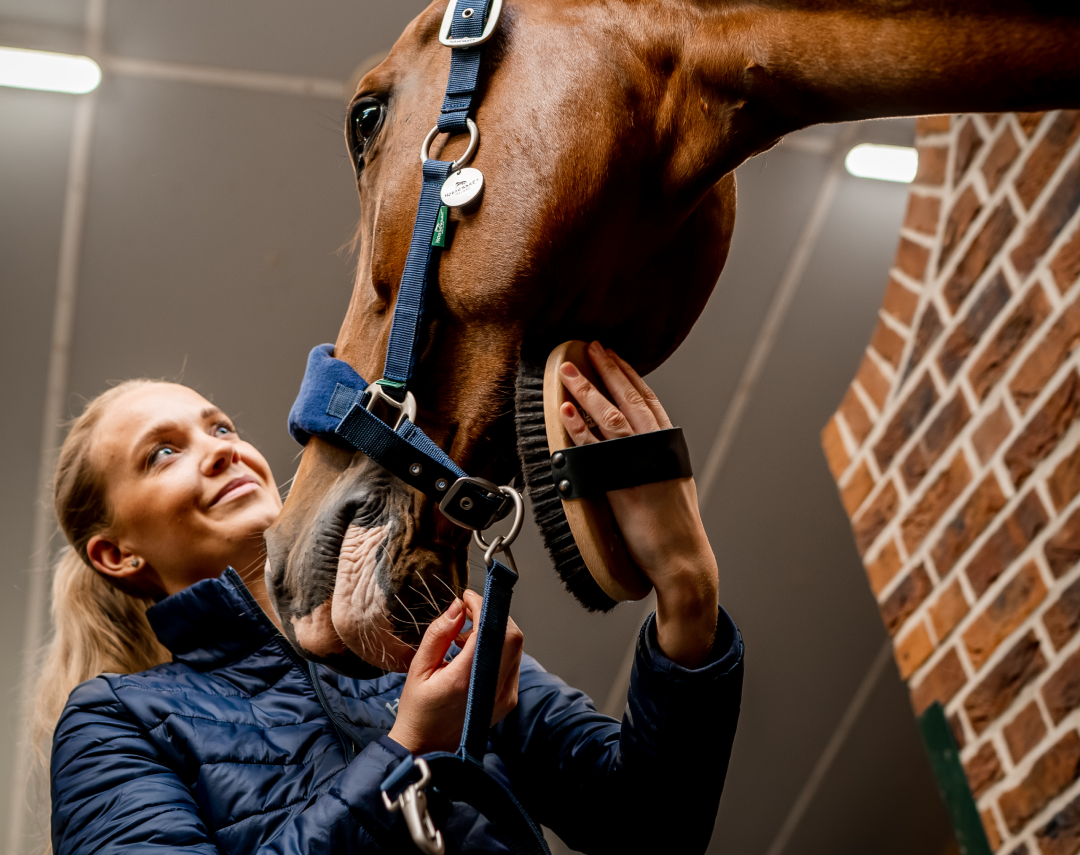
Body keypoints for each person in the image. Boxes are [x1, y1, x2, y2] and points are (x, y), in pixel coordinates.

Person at [42, 343, 743, 855]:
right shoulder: (115, 722)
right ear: (115, 553)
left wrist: (686, 585)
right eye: (162, 453)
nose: (223, 450)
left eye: (220, 427)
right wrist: (410, 749)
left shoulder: (418, 633)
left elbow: (651, 826)